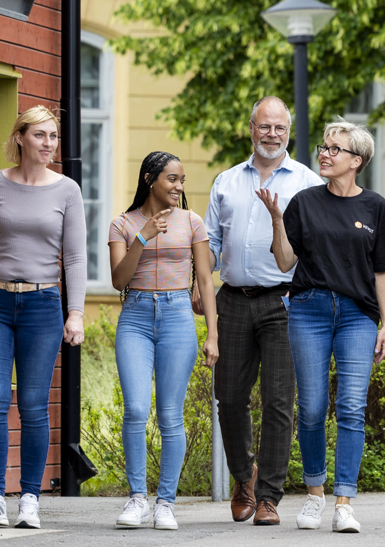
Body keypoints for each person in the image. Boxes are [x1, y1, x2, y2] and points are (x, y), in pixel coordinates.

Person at [0, 106, 86, 530]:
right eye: (41, 135)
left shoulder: (67, 191)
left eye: (54, 137)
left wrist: (75, 312)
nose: (49, 144)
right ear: (21, 137)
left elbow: (76, 256)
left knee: (33, 404)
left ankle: (28, 498)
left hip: (42, 305)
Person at [260, 119, 385, 533]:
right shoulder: (304, 202)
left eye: (335, 149)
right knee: (312, 408)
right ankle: (314, 494)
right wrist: (275, 219)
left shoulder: (375, 206)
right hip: (309, 309)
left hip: (358, 317)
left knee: (352, 408)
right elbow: (285, 262)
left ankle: (344, 502)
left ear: (356, 160)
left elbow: (381, 272)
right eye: (324, 147)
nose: (324, 153)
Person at [201, 96, 323, 526]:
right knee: (229, 397)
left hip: (286, 302)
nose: (272, 135)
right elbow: (211, 245)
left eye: (280, 128)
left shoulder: (307, 182)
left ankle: (269, 495)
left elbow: (313, 248)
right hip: (232, 299)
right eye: (265, 127)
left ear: (288, 132)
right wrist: (199, 285)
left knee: (278, 401)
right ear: (250, 128)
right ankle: (243, 479)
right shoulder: (226, 181)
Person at [109, 151, 219, 531]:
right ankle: (138, 498)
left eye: (182, 180)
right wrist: (143, 237)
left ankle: (165, 503)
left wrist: (213, 336)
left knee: (171, 415)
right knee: (136, 410)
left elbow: (205, 280)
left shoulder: (192, 221)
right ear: (149, 179)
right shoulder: (123, 224)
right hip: (135, 316)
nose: (179, 187)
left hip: (176, 317)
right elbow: (119, 280)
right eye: (172, 179)